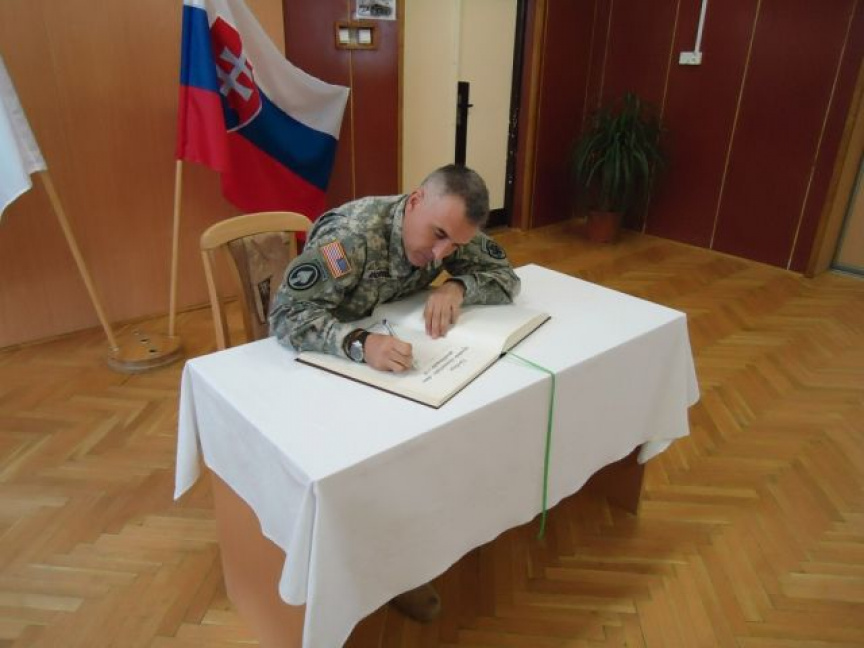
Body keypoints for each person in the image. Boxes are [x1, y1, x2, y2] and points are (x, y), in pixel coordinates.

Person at [268, 164, 520, 621]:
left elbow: (506, 276)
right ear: (416, 199)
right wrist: (360, 343)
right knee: (379, 460)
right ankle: (355, 568)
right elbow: (286, 317)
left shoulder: (450, 230)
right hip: (325, 364)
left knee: (438, 433)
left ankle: (412, 551)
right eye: (438, 236)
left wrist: (458, 287)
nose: (441, 253)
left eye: (454, 247)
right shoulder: (351, 237)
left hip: (390, 358)